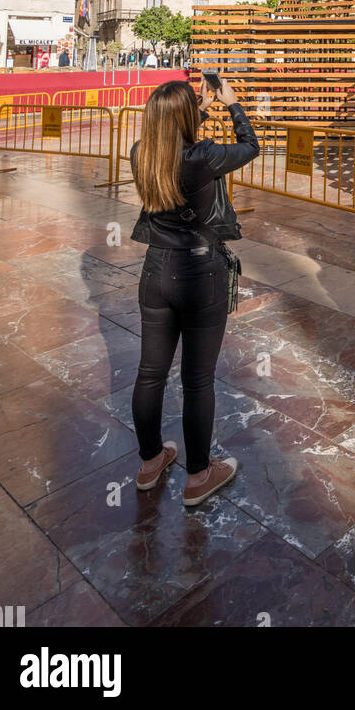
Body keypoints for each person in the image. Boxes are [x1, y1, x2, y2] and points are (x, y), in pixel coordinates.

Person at [129, 78, 259, 507]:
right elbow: (250, 146)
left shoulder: (141, 154)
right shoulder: (203, 157)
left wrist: (196, 107)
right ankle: (199, 474)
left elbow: (170, 137)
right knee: (197, 379)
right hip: (200, 272)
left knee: (150, 373)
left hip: (155, 270)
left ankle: (150, 462)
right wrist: (232, 105)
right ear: (186, 119)